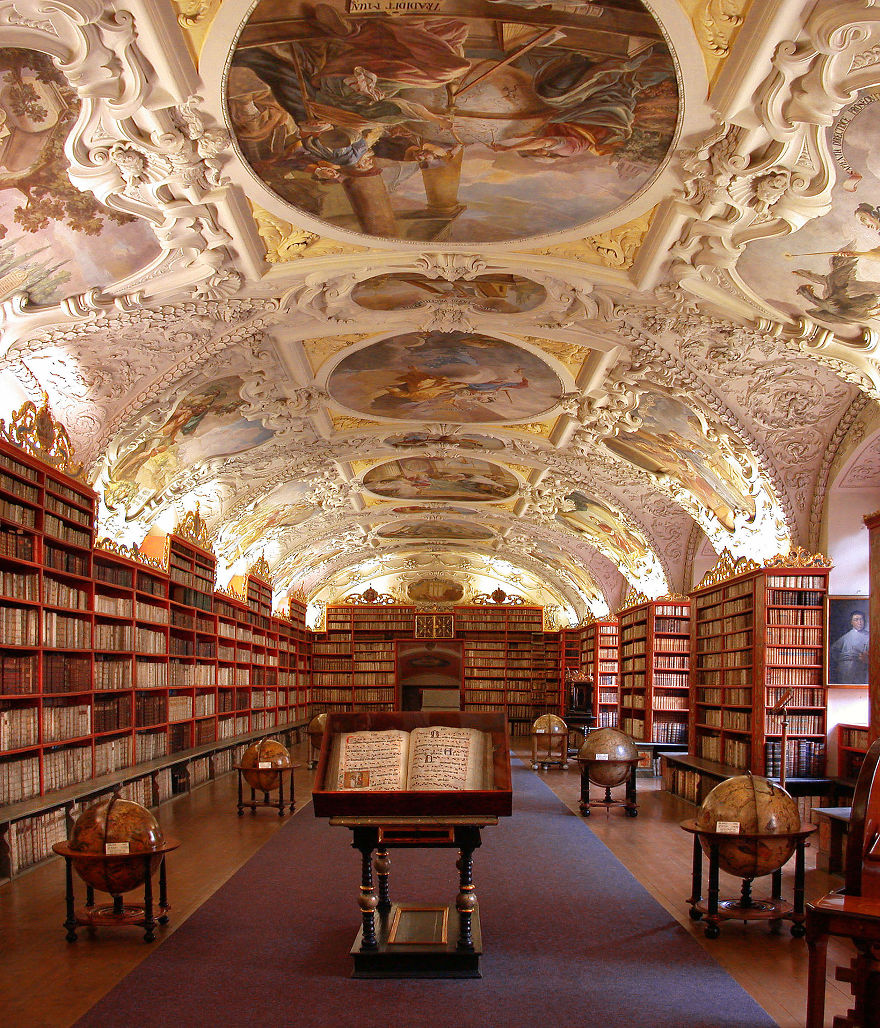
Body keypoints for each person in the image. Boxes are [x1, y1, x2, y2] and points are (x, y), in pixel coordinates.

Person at [829, 610, 869, 684]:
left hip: (861, 668)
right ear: (851, 622)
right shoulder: (846, 637)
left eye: (861, 619)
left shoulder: (869, 636)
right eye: (856, 620)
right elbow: (833, 651)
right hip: (845, 669)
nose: (859, 622)